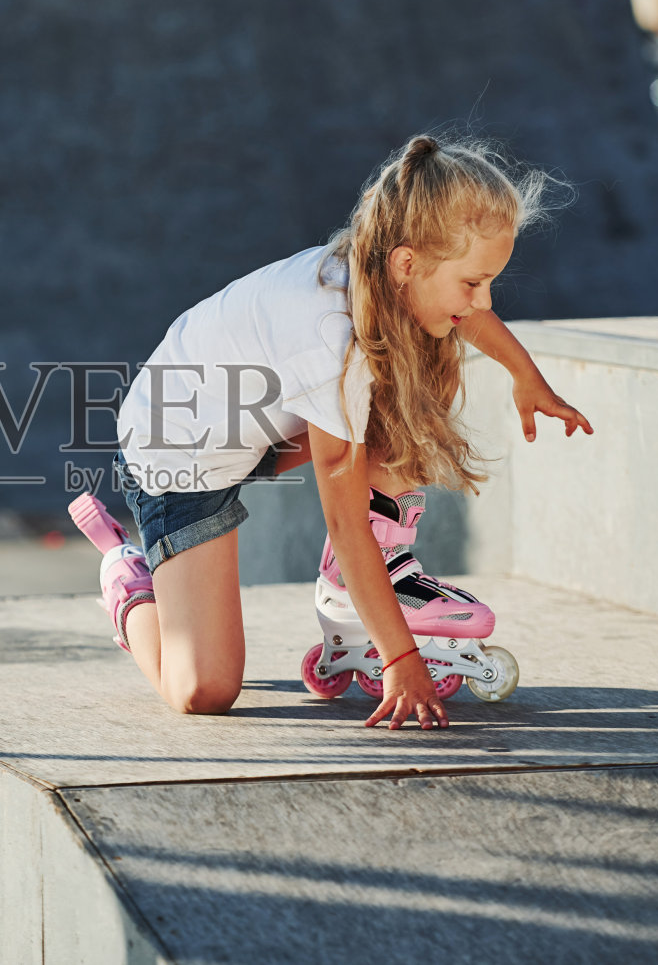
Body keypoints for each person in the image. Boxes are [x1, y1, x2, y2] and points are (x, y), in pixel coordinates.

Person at [68, 135, 593, 730]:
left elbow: (472, 317)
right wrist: (399, 658)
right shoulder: (329, 336)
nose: (483, 298)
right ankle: (129, 581)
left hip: (251, 428)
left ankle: (373, 574)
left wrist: (528, 377)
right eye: (473, 282)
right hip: (173, 453)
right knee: (203, 690)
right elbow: (342, 521)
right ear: (406, 264)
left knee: (415, 386)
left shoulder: (382, 278)